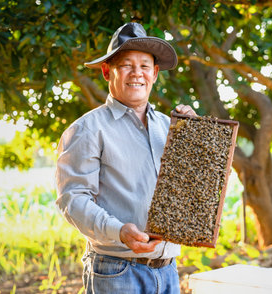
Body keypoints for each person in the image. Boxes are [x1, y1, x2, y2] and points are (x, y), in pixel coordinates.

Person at [55, 22, 196, 293]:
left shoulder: (170, 127)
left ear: (154, 73)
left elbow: (196, 186)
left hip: (168, 270)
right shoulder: (87, 129)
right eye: (126, 65)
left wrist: (197, 138)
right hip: (116, 271)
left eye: (144, 66)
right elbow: (72, 200)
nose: (137, 74)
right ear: (107, 72)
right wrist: (119, 231)